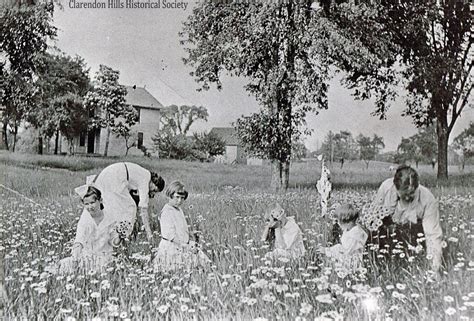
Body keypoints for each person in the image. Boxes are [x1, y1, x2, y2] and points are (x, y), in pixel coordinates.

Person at [368, 165, 443, 272]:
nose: (408, 198)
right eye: (404, 194)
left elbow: (433, 235)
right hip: (388, 233)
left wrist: (434, 269)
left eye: (412, 194)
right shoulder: (386, 188)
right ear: (396, 187)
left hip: (414, 236)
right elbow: (374, 217)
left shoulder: (428, 199)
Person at [54, 185, 121, 274]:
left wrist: (119, 237)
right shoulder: (85, 219)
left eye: (92, 202)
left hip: (104, 256)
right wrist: (75, 258)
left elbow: (113, 241)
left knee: (107, 269)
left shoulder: (109, 218)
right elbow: (79, 240)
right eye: (86, 204)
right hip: (88, 257)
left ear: (100, 200)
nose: (90, 207)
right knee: (61, 266)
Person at [92, 162, 165, 241]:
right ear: (154, 181)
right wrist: (149, 234)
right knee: (130, 208)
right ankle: (122, 237)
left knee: (113, 208)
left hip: (108, 173)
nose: (152, 192)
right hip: (115, 177)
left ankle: (109, 234)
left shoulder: (143, 173)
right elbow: (143, 210)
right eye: (154, 190)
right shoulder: (146, 180)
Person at [152, 181, 210, 272]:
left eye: (182, 198)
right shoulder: (167, 212)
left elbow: (180, 228)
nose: (179, 201)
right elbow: (170, 235)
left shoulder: (178, 210)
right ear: (170, 196)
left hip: (182, 243)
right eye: (177, 197)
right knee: (178, 268)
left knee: (201, 262)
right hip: (172, 246)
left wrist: (190, 233)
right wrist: (186, 247)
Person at [319, 204, 368, 276]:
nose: (338, 224)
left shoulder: (355, 235)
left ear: (348, 222)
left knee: (330, 260)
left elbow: (347, 252)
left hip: (352, 262)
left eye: (339, 222)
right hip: (348, 257)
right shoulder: (349, 230)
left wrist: (328, 251)